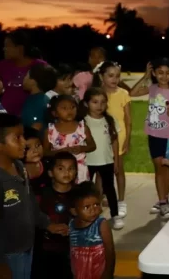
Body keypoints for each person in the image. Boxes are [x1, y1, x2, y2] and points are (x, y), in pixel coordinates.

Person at [0, 114, 69, 279]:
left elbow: (29, 202)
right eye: (17, 137)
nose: (24, 142)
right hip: (7, 255)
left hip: (26, 247)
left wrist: (46, 223)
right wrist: (1, 264)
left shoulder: (20, 167)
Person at [129, 58, 169, 218]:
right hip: (154, 134)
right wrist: (145, 76)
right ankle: (162, 200)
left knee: (165, 168)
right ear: (154, 73)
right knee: (158, 168)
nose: (164, 76)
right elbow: (132, 93)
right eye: (160, 73)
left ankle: (165, 199)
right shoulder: (152, 88)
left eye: (167, 73)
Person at [81, 88, 123, 230]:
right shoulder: (82, 122)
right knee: (87, 189)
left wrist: (116, 160)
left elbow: (114, 141)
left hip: (106, 160)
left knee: (109, 189)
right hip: (88, 162)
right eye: (95, 102)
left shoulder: (109, 120)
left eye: (103, 102)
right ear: (86, 103)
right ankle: (86, 215)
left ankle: (115, 215)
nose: (99, 106)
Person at [92, 61, 131, 217]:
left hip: (119, 137)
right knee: (101, 172)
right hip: (101, 137)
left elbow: (128, 120)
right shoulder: (97, 94)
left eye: (117, 76)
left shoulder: (123, 94)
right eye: (110, 76)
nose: (114, 79)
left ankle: (121, 201)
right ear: (102, 76)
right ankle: (97, 200)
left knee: (118, 169)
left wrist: (127, 140)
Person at [32, 152, 77, 279]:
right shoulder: (41, 195)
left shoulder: (79, 195)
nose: (66, 172)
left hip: (72, 251)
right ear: (51, 172)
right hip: (45, 251)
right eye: (61, 168)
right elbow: (34, 218)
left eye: (71, 168)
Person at [43, 95, 96, 184]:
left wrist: (81, 148)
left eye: (72, 107)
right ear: (54, 113)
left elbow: (92, 146)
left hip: (80, 170)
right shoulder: (50, 131)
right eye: (64, 108)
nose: (69, 111)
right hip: (60, 171)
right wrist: (60, 152)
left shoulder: (82, 127)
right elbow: (45, 152)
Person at [69, 181, 116, 279]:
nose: (93, 209)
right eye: (87, 207)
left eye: (96, 204)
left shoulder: (101, 224)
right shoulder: (71, 225)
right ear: (74, 211)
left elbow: (110, 251)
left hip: (99, 272)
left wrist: (108, 273)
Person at [0, 30, 47, 116]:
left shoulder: (40, 65)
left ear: (20, 48)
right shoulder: (2, 66)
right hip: (5, 119)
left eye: (7, 46)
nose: (4, 49)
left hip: (32, 117)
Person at [21, 63, 57, 130]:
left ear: (33, 81)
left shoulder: (37, 103)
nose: (24, 78)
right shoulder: (34, 99)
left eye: (26, 75)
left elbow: (36, 128)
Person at [23, 126, 47, 192]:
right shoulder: (16, 172)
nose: (35, 150)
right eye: (28, 148)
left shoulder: (47, 165)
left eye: (38, 145)